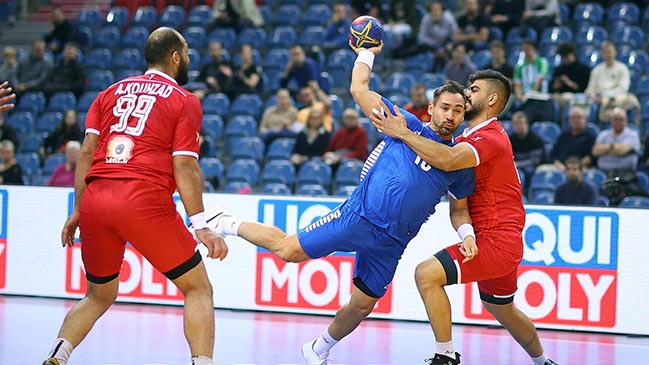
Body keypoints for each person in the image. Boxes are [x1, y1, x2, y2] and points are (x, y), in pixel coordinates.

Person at [195, 43, 475, 365]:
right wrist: (367, 52)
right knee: (288, 251)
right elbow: (359, 88)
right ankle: (225, 221)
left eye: (457, 110)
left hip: (393, 242)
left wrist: (466, 233)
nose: (450, 115)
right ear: (432, 107)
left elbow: (460, 209)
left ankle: (319, 348)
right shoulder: (405, 123)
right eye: (445, 107)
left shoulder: (459, 162)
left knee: (362, 306)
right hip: (359, 217)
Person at [41, 27, 228, 365]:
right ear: (175, 57)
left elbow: (86, 154)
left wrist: (78, 210)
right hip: (143, 201)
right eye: (185, 53)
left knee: (99, 294)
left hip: (97, 200)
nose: (188, 59)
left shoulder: (109, 93)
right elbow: (184, 166)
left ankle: (58, 354)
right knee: (198, 288)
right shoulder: (185, 100)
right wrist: (200, 224)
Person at [370, 69, 558, 365]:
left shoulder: (491, 137)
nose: (467, 94)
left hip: (498, 241)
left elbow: (447, 159)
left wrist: (403, 132)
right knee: (502, 309)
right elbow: (459, 206)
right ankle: (543, 361)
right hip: (491, 240)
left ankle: (445, 356)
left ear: (492, 99)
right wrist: (467, 235)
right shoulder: (466, 137)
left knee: (426, 274)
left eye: (474, 89)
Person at [585, 41, 640, 125]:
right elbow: (590, 88)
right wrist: (592, 95)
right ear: (602, 54)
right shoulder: (597, 70)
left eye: (610, 52)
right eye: (605, 52)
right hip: (599, 99)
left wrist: (606, 97)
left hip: (617, 98)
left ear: (615, 53)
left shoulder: (622, 68)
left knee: (631, 100)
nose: (608, 54)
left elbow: (623, 88)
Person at [513, 39, 555, 123]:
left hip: (541, 97)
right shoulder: (519, 67)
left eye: (528, 49)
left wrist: (530, 94)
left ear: (534, 49)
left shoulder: (542, 62)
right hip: (526, 100)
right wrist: (519, 96)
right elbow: (517, 85)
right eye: (524, 50)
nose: (526, 52)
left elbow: (539, 81)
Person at [546, 106, 595, 172]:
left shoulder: (590, 136)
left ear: (585, 120)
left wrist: (574, 167)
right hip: (560, 167)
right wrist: (559, 165)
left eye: (579, 118)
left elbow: (591, 157)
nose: (576, 120)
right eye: (573, 118)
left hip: (580, 168)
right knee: (541, 170)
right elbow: (553, 154)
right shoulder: (563, 135)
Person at [549, 42, 591, 118]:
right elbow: (551, 89)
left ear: (572, 54)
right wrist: (555, 86)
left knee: (566, 98)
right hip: (559, 95)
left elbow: (583, 88)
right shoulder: (559, 70)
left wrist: (568, 82)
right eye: (563, 57)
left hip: (574, 96)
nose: (565, 59)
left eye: (566, 56)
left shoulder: (583, 69)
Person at [509, 111, 546, 187]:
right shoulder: (510, 140)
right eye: (516, 123)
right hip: (516, 168)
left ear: (527, 124)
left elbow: (535, 161)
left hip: (534, 169)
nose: (519, 126)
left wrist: (518, 164)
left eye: (521, 123)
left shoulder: (536, 140)